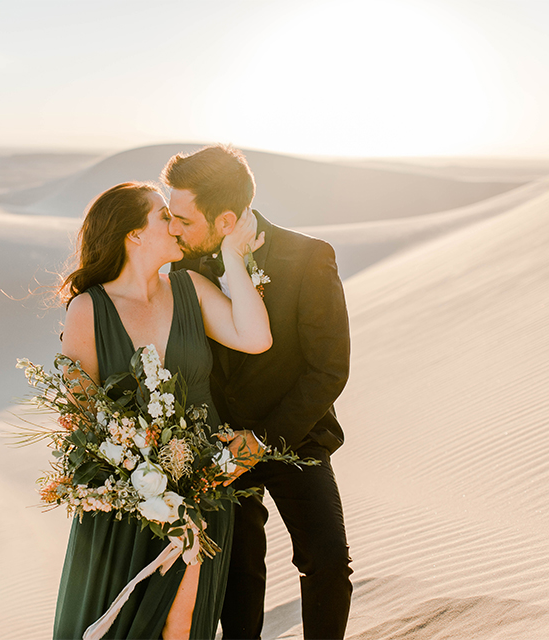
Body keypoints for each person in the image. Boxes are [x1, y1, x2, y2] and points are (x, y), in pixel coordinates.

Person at [53, 181, 272, 640]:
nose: (176, 225)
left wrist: (234, 255)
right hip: (127, 504)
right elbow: (82, 418)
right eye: (162, 217)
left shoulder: (190, 287)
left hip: (204, 486)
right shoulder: (88, 310)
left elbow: (255, 338)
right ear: (133, 234)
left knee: (186, 626)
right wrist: (141, 477)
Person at [166, 145, 353, 640]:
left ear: (226, 219)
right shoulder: (178, 266)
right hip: (218, 447)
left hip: (297, 436)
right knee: (238, 579)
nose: (173, 229)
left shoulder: (308, 257)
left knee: (329, 562)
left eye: (182, 218)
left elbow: (328, 369)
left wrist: (264, 439)